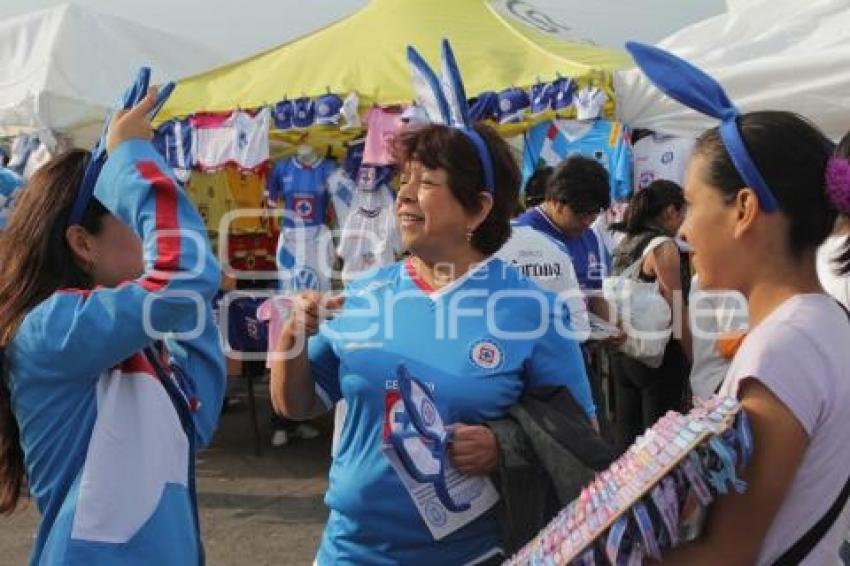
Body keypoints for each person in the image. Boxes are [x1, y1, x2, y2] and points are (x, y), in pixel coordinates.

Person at [270, 123, 594, 565]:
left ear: (478, 209)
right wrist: (292, 336)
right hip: (348, 552)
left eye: (425, 183)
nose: (403, 195)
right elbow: (297, 405)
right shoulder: (363, 293)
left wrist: (503, 445)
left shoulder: (530, 311)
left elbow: (581, 440)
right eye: (405, 179)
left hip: (472, 556)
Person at [0, 90, 225, 564]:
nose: (149, 231)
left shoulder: (136, 343)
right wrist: (131, 158)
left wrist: (196, 300)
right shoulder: (51, 328)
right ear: (83, 244)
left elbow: (196, 421)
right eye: (133, 214)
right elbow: (183, 275)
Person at [663, 112, 850, 564]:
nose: (683, 231)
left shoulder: (783, 348)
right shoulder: (826, 320)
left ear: (743, 209)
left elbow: (728, 553)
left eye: (692, 203)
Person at [608, 179, 691, 451]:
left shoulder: (624, 241)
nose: (683, 222)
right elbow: (676, 306)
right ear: (670, 211)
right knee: (658, 443)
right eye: (682, 213)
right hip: (657, 357)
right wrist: (692, 357)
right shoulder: (663, 247)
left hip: (624, 352)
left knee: (626, 437)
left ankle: (620, 492)